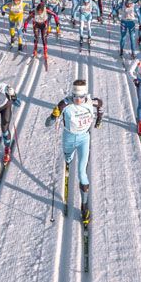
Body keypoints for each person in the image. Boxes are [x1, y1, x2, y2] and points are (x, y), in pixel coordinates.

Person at [44, 79, 104, 223]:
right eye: (75, 97)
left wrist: (99, 120)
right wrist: (53, 115)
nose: (77, 100)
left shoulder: (91, 102)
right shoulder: (65, 103)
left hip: (84, 138)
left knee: (82, 172)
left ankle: (84, 207)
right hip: (68, 138)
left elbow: (100, 104)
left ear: (85, 96)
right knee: (68, 159)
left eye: (81, 98)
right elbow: (48, 124)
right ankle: (68, 164)